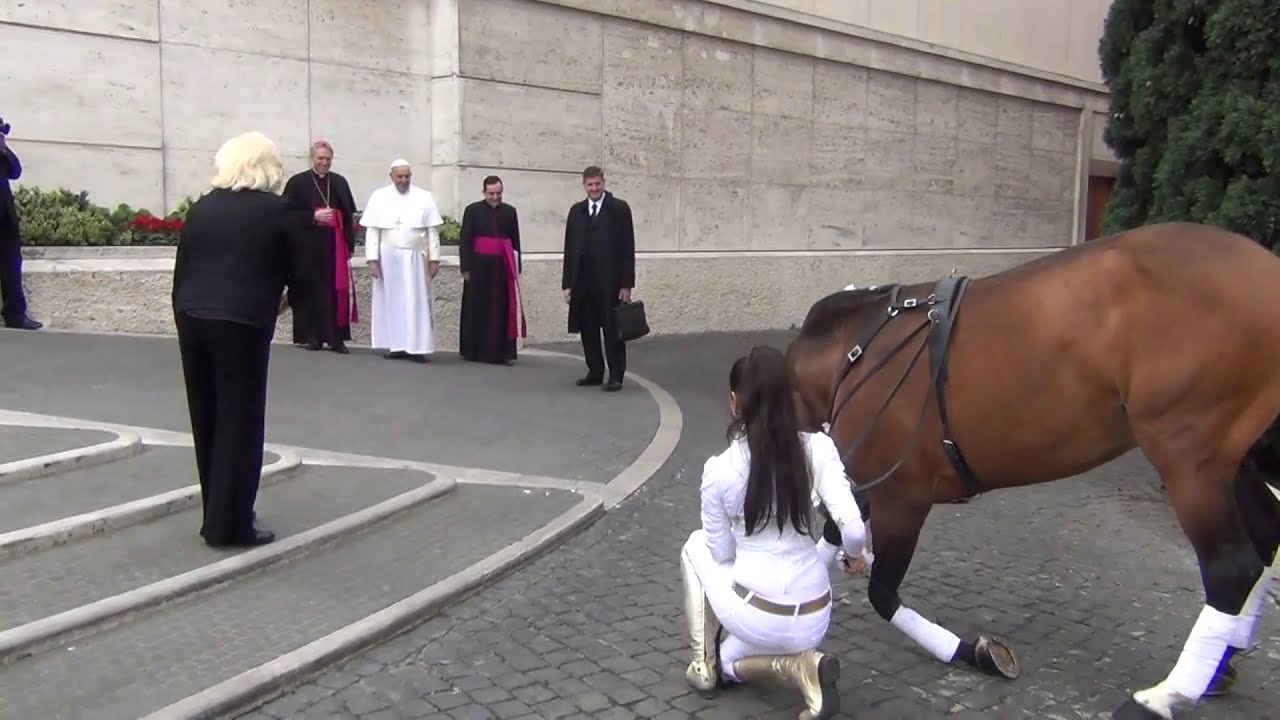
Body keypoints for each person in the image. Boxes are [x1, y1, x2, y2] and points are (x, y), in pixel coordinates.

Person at [679, 345, 868, 720]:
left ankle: (704, 663)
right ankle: (803, 664)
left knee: (695, 544)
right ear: (789, 397)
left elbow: (720, 553)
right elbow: (854, 528)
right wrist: (856, 555)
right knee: (731, 662)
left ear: (735, 403)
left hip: (758, 610)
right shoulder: (818, 448)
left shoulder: (720, 469)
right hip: (816, 615)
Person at [171, 130, 307, 548]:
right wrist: (282, 305)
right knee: (240, 420)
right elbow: (305, 274)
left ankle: (216, 511)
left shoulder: (202, 208)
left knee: (207, 416)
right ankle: (230, 525)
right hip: (241, 321)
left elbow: (184, 264)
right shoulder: (280, 210)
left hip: (191, 315)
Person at [561, 165, 635, 392]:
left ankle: (615, 375)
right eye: (590, 185)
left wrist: (626, 284)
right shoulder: (577, 211)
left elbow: (627, 248)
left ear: (604, 183)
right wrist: (567, 283)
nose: (594, 188)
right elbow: (569, 247)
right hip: (583, 282)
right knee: (588, 328)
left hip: (610, 282)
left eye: (597, 184)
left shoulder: (619, 209)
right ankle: (595, 371)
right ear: (584, 185)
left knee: (612, 329)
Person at [361, 159, 443, 363]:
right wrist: (372, 259)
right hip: (388, 257)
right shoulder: (379, 197)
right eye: (399, 176)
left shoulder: (424, 197)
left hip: (415, 258)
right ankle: (395, 345)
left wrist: (435, 259)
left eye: (407, 176)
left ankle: (417, 346)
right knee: (392, 302)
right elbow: (373, 231)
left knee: (416, 302)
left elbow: (432, 232)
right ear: (392, 176)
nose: (403, 180)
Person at [281, 139, 358, 353]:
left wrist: (348, 246)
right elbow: (286, 215)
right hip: (307, 248)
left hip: (334, 247)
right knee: (310, 292)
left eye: (328, 159)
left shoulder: (340, 182)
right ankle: (312, 336)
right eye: (321, 158)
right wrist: (313, 216)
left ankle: (336, 339)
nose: (325, 163)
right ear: (312, 159)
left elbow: (349, 214)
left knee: (335, 292)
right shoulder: (297, 182)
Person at [458, 175, 525, 365]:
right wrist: (466, 267)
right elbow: (465, 240)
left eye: (498, 193)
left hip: (502, 267)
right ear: (484, 192)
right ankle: (474, 351)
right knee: (477, 307)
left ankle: (501, 353)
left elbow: (515, 241)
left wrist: (516, 267)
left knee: (501, 308)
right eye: (491, 194)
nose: (495, 197)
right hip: (478, 267)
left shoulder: (510, 212)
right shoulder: (472, 211)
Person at [0, 119, 41, 330]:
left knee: (11, 266)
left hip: (5, 216)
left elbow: (15, 172)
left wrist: (4, 150)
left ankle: (15, 315)